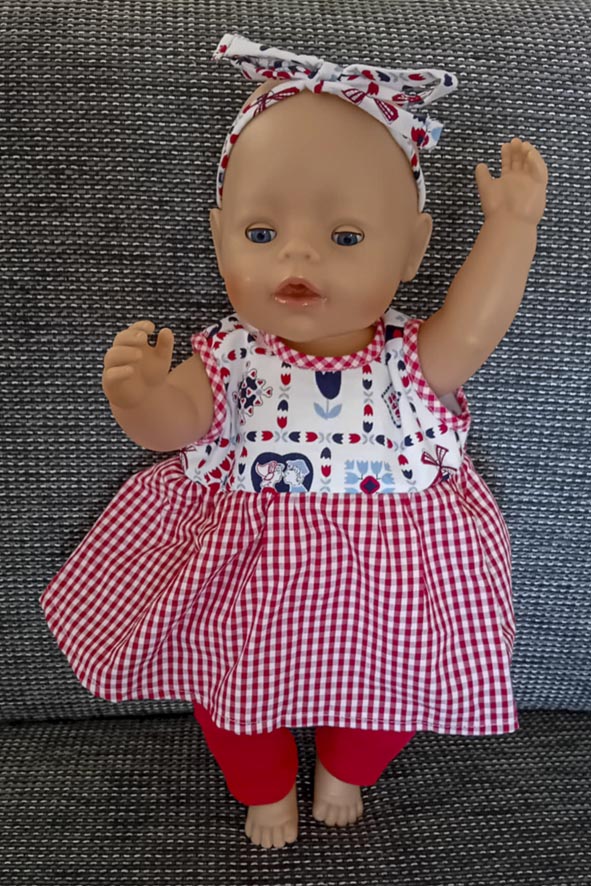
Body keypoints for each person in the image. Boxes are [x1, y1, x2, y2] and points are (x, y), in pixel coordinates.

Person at [39, 33, 548, 850]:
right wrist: (139, 396)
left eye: (345, 238)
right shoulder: (227, 354)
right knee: (229, 697)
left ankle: (347, 770)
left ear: (413, 250)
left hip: (393, 582)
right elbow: (177, 429)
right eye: (260, 233)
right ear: (219, 237)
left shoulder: (412, 358)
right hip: (247, 575)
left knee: (394, 694)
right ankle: (264, 786)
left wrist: (512, 226)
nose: (298, 253)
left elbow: (476, 327)